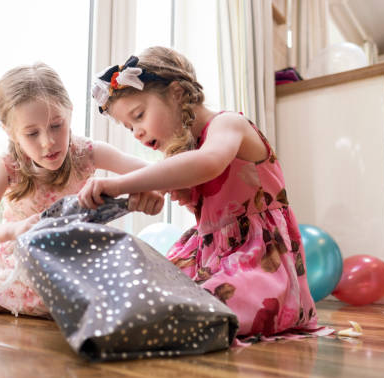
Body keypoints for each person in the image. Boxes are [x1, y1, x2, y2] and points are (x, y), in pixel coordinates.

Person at [78, 47, 330, 340]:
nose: (136, 132)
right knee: (145, 292)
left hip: (258, 258)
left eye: (139, 115)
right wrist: (146, 196)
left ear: (176, 94)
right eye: (129, 127)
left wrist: (122, 184)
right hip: (210, 256)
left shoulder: (228, 124)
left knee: (197, 307)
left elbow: (208, 164)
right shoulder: (186, 153)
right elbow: (168, 177)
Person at [0, 62, 164, 317]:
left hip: (78, 269)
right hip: (20, 272)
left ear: (69, 112)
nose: (48, 142)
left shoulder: (87, 153)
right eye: (32, 133)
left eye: (56, 126)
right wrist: (14, 229)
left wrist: (147, 188)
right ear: (10, 133)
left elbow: (156, 173)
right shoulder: (8, 166)